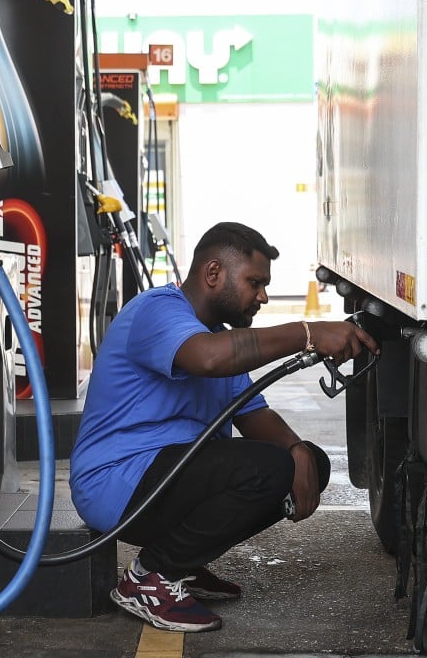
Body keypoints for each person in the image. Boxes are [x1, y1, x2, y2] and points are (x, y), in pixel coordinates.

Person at [69, 221, 379, 633]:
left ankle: (184, 561)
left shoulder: (216, 335)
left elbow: (255, 416)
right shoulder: (158, 310)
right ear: (213, 274)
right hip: (117, 484)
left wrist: (299, 451)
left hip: (165, 480)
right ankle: (151, 577)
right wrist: (309, 333)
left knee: (308, 463)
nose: (263, 296)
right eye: (255, 283)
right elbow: (209, 359)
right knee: (268, 469)